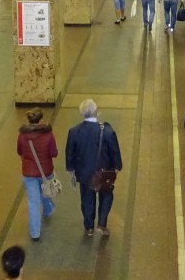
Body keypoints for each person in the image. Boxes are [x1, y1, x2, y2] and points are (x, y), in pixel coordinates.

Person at [65, 99, 123, 237]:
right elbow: (114, 151)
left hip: (84, 173)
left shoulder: (74, 132)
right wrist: (117, 166)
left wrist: (70, 168)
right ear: (96, 112)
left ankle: (89, 227)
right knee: (106, 196)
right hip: (103, 172)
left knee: (86, 199)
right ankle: (102, 224)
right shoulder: (107, 131)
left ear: (82, 114)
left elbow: (70, 152)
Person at [16, 108, 58, 241]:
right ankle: (47, 210)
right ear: (41, 120)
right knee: (46, 191)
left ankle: (35, 233)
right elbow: (54, 153)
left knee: (33, 202)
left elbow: (19, 151)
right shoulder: (48, 135)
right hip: (45, 171)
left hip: (29, 173)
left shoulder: (22, 135)